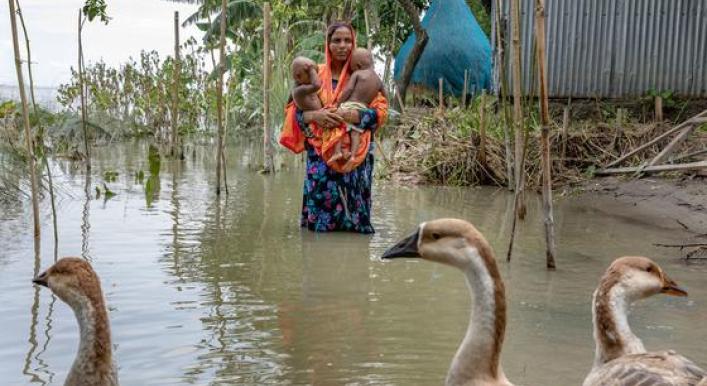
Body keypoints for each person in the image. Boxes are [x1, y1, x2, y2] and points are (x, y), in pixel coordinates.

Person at [279, 22, 388, 233]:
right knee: (321, 222)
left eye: (348, 40)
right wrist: (315, 115)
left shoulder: (364, 75)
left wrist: (353, 115)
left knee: (355, 218)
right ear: (328, 45)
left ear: (354, 44)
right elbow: (294, 112)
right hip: (321, 157)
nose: (342, 45)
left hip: (355, 157)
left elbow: (381, 113)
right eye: (336, 40)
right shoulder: (313, 74)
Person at [331, 47, 386, 172]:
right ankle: (353, 156)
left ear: (358, 65)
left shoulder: (357, 73)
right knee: (355, 132)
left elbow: (349, 90)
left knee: (338, 126)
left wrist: (338, 103)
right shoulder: (378, 80)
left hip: (349, 105)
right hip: (364, 107)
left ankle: (338, 151)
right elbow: (385, 98)